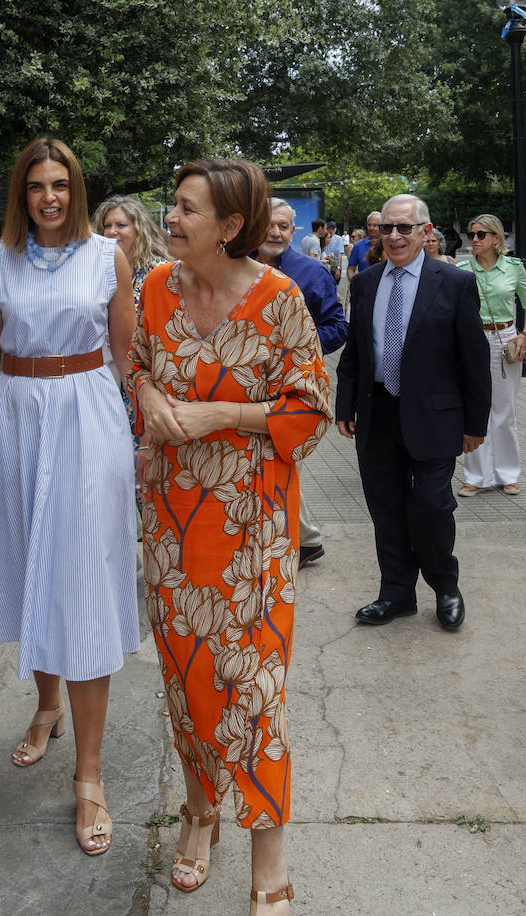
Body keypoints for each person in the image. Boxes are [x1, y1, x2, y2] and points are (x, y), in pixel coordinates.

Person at [132, 157, 332, 914]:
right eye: (172, 205)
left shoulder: (280, 301)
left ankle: (269, 851)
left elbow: (310, 410)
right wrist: (149, 393)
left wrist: (225, 416)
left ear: (231, 226)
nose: (172, 220)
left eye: (186, 209)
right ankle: (199, 810)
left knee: (255, 690)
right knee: (187, 682)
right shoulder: (154, 287)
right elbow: (137, 365)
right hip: (172, 522)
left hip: (254, 528)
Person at [0, 137, 138, 857]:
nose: (49, 197)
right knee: (31, 564)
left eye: (60, 185)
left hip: (87, 415)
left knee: (81, 584)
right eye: (35, 187)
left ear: (75, 190)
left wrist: (141, 441)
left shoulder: (105, 256)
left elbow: (127, 356)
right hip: (17, 417)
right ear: (20, 194)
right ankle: (47, 704)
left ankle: (90, 774)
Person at [336, 194, 490, 630]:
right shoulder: (365, 282)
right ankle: (396, 594)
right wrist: (344, 403)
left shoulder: (454, 282)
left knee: (430, 506)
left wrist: (475, 424)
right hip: (378, 412)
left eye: (405, 227)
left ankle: (445, 587)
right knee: (385, 507)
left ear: (426, 231)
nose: (395, 236)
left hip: (436, 416)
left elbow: (473, 358)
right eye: (387, 228)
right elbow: (357, 350)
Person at [257, 197, 348, 567]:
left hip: (295, 384)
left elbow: (338, 327)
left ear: (293, 231)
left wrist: (295, 351)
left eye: (283, 226)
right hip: (244, 385)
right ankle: (304, 538)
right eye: (269, 225)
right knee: (268, 458)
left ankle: (304, 539)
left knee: (280, 455)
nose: (276, 233)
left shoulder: (311, 272)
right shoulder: (232, 266)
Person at [457, 213, 526, 497]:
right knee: (475, 409)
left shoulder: (514, 267)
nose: (475, 240)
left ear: (496, 238)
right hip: (473, 340)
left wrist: (525, 335)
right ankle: (476, 477)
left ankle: (508, 475)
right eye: (472, 235)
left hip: (506, 339)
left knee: (504, 411)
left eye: (481, 235)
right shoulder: (464, 269)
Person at [94, 194, 170, 305]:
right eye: (107, 226)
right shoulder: (95, 269)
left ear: (139, 230)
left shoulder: (159, 271)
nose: (112, 231)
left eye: (121, 225)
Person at [349, 211, 381, 279]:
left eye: (375, 225)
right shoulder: (358, 246)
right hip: (364, 288)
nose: (371, 228)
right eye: (369, 225)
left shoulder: (389, 245)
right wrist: (354, 284)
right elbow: (351, 269)